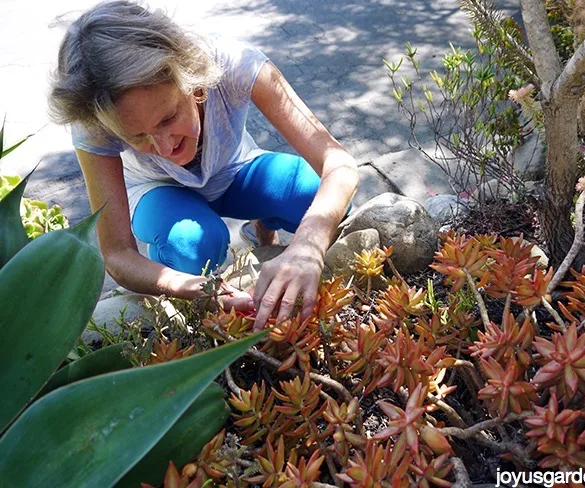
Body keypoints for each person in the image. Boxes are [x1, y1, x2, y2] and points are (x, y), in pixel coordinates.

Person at [48, 0, 359, 331]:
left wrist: (308, 247)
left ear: (192, 81)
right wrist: (190, 286)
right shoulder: (94, 119)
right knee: (191, 247)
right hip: (157, 191)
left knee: (315, 197)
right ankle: (169, 255)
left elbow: (338, 165)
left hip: (233, 169)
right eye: (137, 137)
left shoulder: (233, 63)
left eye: (169, 117)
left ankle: (261, 229)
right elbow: (118, 254)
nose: (165, 147)